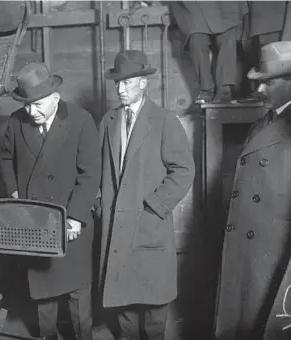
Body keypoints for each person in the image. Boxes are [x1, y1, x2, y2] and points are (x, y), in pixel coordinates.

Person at [215, 40, 291, 340]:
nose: (259, 90)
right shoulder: (266, 121)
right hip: (255, 243)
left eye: (267, 83)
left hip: (276, 245)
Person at [96, 50, 195, 340]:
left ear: (143, 83)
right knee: (124, 305)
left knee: (153, 308)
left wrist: (155, 205)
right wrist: (100, 204)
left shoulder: (164, 120)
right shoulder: (108, 121)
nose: (120, 88)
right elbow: (95, 169)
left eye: (127, 82)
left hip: (148, 223)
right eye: (117, 82)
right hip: (116, 229)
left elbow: (184, 170)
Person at [0, 62, 100, 340]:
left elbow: (90, 173)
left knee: (78, 290)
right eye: (27, 105)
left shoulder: (81, 120)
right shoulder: (16, 121)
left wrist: (76, 216)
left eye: (38, 105)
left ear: (56, 98)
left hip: (72, 219)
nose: (32, 112)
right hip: (36, 220)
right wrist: (15, 194)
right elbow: (6, 160)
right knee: (43, 290)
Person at [171, 1, 249, 104]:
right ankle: (206, 89)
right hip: (192, 5)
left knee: (228, 38)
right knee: (196, 40)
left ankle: (225, 89)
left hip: (226, 6)